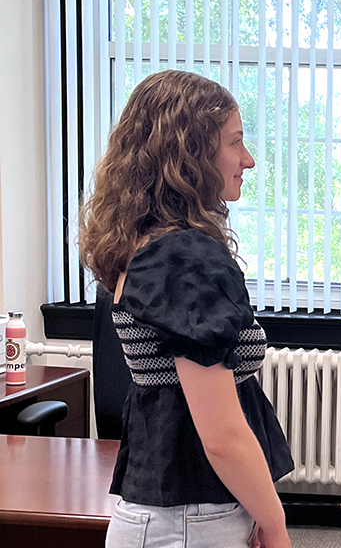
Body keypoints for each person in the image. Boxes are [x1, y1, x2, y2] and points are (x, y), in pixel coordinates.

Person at [79, 70, 294, 548]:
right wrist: (275, 522)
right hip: (191, 524)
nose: (249, 159)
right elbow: (220, 433)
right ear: (191, 155)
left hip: (176, 516)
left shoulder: (149, 246)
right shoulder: (184, 257)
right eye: (235, 143)